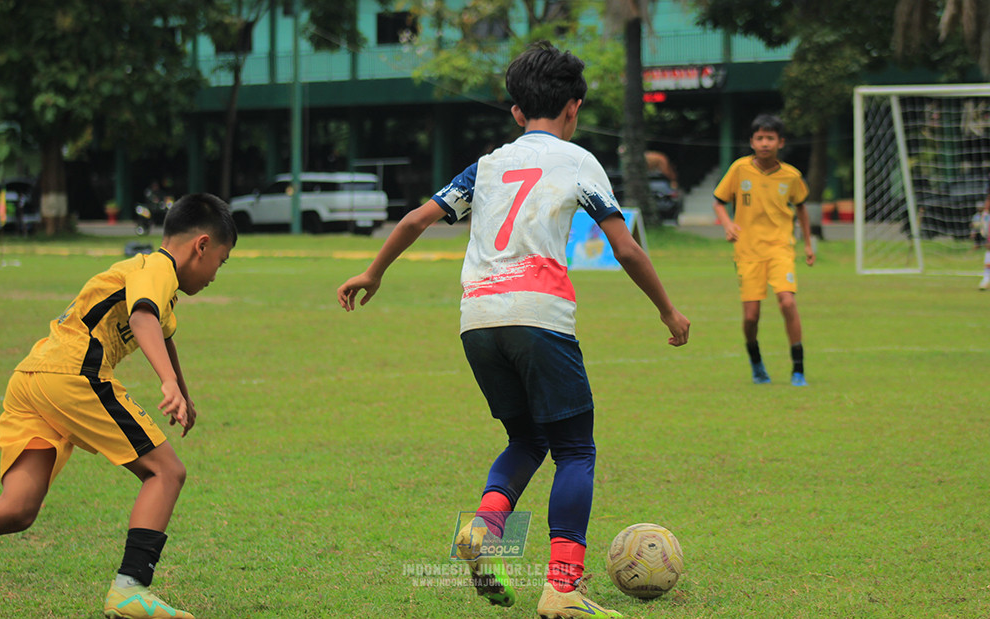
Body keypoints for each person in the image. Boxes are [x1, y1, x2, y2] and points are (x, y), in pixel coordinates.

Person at [337, 41, 690, 619]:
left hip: (476, 320)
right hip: (539, 317)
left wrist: (373, 271)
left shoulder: (491, 162)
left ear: (516, 113)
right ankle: (562, 588)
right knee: (576, 449)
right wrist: (667, 310)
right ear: (574, 107)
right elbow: (624, 246)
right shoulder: (577, 161)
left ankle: (483, 528)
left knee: (528, 440)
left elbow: (417, 217)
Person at [0, 193, 237, 619]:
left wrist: (182, 388)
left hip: (31, 378)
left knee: (17, 509)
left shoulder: (155, 279)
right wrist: (166, 382)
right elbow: (144, 316)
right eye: (222, 259)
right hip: (73, 374)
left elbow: (162, 326)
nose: (217, 273)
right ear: (201, 245)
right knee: (167, 471)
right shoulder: (157, 267)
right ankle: (129, 589)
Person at [713, 114, 815, 387]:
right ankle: (756, 361)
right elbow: (719, 201)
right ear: (752, 141)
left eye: (770, 138)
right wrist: (727, 224)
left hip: (781, 248)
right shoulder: (739, 169)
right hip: (747, 252)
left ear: (780, 142)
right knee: (751, 316)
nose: (765, 143)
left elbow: (802, 207)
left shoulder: (791, 176)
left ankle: (798, 369)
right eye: (759, 138)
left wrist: (807, 243)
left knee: (788, 302)